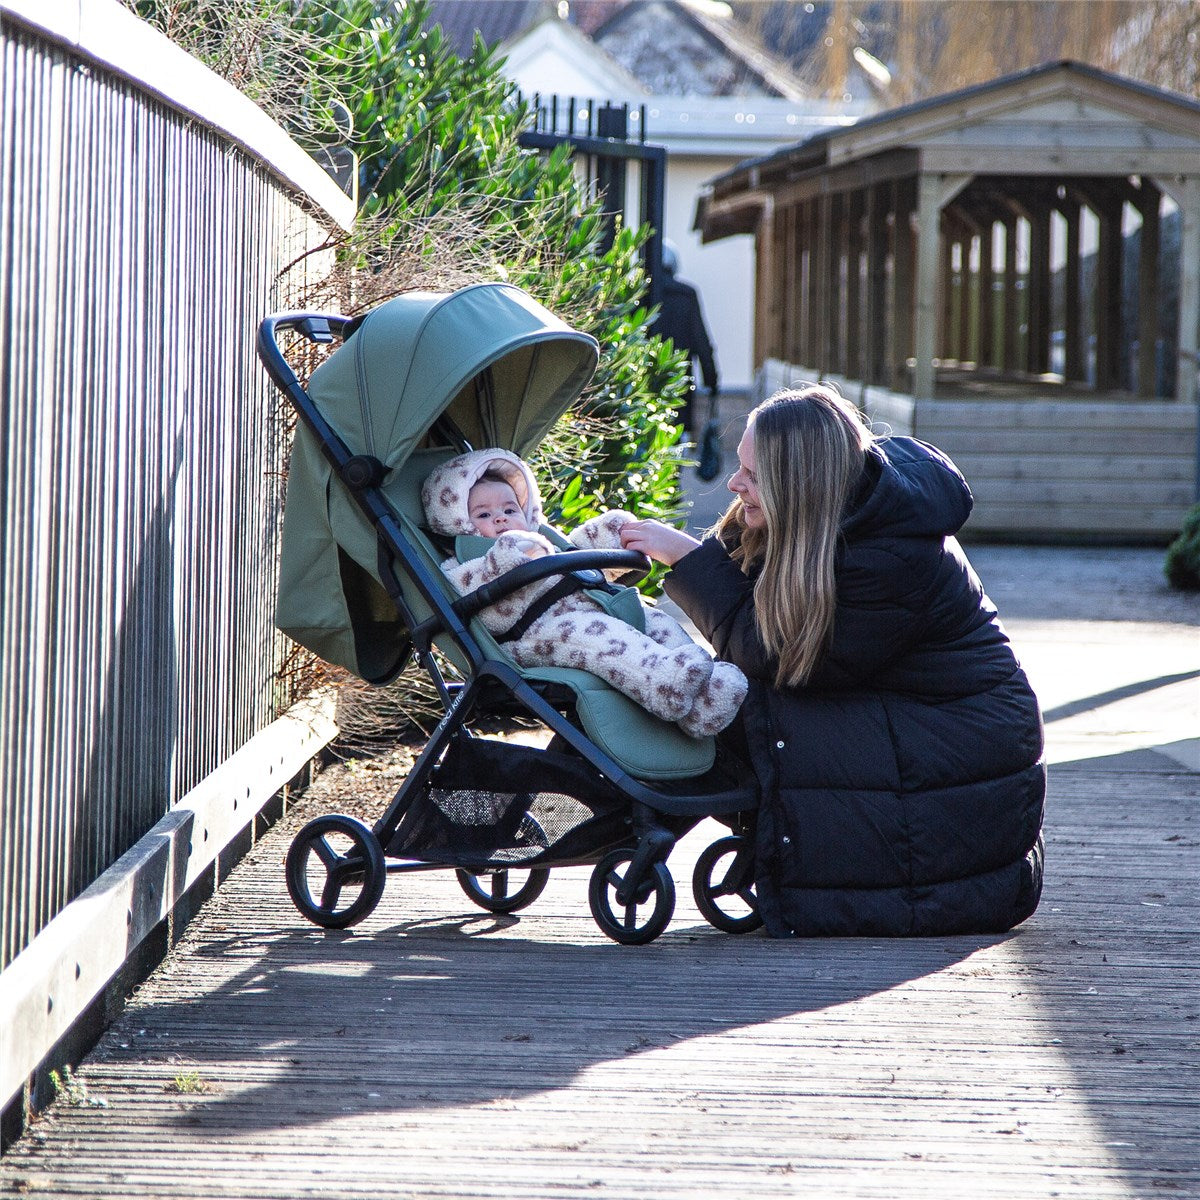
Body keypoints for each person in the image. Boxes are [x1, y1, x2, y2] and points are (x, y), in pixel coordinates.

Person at [620, 385, 1046, 938]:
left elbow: (780, 660)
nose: (733, 484)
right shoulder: (817, 521)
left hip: (955, 758)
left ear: (800, 485)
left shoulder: (891, 556)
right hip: (923, 735)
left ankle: (610, 820)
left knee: (733, 706)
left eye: (751, 474)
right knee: (714, 696)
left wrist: (684, 559)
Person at [421, 448, 747, 738]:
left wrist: (610, 535)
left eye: (510, 509)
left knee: (655, 621)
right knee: (600, 637)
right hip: (533, 637)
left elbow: (573, 554)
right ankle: (662, 686)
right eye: (483, 515)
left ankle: (705, 698)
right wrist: (508, 559)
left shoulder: (543, 541)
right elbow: (480, 608)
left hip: (584, 609)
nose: (501, 518)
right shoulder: (464, 563)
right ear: (459, 524)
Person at [653, 240, 719, 437]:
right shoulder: (686, 295)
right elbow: (701, 342)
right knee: (677, 437)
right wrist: (712, 381)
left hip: (646, 382)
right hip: (679, 382)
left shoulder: (642, 292)